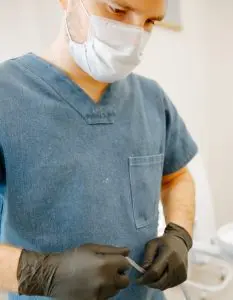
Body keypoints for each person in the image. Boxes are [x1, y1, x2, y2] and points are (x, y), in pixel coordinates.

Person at [0, 0, 198, 299]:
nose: (134, 35)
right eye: (117, 10)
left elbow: (176, 177)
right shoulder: (7, 96)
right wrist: (41, 273)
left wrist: (180, 234)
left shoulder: (151, 99)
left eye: (149, 22)